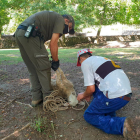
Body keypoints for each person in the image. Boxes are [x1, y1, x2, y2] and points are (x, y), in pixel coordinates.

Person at [14, 11, 75, 107]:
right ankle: (49, 99)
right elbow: (53, 42)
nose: (67, 31)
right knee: (44, 67)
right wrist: (55, 61)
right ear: (67, 20)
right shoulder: (60, 19)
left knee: (33, 68)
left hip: (20, 33)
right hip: (31, 35)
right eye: (69, 27)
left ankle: (36, 97)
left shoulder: (51, 19)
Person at [76, 48, 135, 139]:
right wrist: (88, 94)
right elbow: (96, 85)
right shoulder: (101, 59)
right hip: (126, 95)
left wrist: (83, 95)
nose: (81, 65)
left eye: (80, 63)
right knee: (98, 87)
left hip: (116, 97)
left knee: (89, 115)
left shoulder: (85, 62)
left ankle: (123, 125)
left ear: (81, 59)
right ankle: (108, 113)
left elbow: (91, 88)